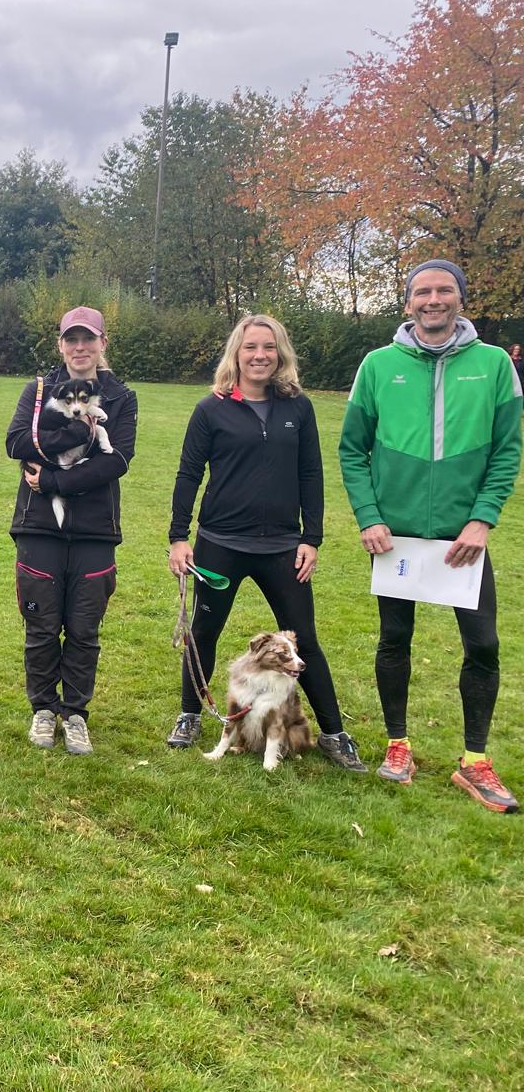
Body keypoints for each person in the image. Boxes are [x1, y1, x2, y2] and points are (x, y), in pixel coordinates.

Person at [339, 259, 522, 811]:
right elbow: (352, 450)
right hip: (396, 539)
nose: (433, 299)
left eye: (444, 290)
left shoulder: (494, 364)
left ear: (460, 299)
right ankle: (398, 746)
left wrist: (482, 519)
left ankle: (475, 761)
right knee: (394, 640)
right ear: (408, 303)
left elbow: (507, 450)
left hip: (464, 538)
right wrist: (369, 516)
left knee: (483, 645)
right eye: (423, 291)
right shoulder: (379, 365)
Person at [165, 315, 367, 770]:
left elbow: (311, 473)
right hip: (220, 543)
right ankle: (189, 716)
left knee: (305, 641)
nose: (260, 355)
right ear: (236, 354)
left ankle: (334, 735)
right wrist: (179, 536)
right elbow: (188, 474)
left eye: (269, 347)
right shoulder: (211, 409)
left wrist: (311, 538)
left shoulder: (298, 408)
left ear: (281, 354)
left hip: (282, 547)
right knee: (203, 634)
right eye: (251, 347)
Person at [5, 306, 137, 756]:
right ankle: (43, 710)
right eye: (71, 340)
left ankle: (76, 714)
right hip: (39, 526)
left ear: (102, 343)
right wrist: (75, 433)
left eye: (89, 339)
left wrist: (53, 481)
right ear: (61, 345)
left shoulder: (121, 397)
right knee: (42, 627)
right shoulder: (39, 391)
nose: (80, 348)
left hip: (96, 529)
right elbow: (16, 443)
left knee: (84, 630)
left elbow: (117, 460)